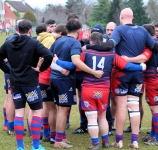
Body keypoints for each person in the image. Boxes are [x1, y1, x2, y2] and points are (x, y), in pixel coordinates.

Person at [84, 8, 158, 149]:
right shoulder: (143, 31)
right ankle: (134, 141)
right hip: (137, 74)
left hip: (121, 72)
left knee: (121, 106)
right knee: (134, 106)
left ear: (121, 16)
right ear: (132, 17)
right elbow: (156, 47)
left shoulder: (119, 30)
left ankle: (119, 141)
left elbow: (109, 45)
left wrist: (89, 46)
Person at [50, 19, 103, 149]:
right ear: (79, 30)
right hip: (64, 81)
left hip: (54, 78)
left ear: (66, 29)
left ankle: (61, 136)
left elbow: (49, 57)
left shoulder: (58, 41)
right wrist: (93, 72)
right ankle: (58, 141)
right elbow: (76, 62)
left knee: (61, 109)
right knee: (63, 110)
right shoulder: (74, 43)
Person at [0, 19, 53, 150]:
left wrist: (8, 70)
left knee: (19, 113)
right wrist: (41, 69)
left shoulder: (9, 43)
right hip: (30, 83)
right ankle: (35, 146)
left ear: (17, 29)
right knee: (36, 112)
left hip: (15, 83)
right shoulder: (34, 43)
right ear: (30, 30)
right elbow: (49, 55)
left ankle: (20, 147)